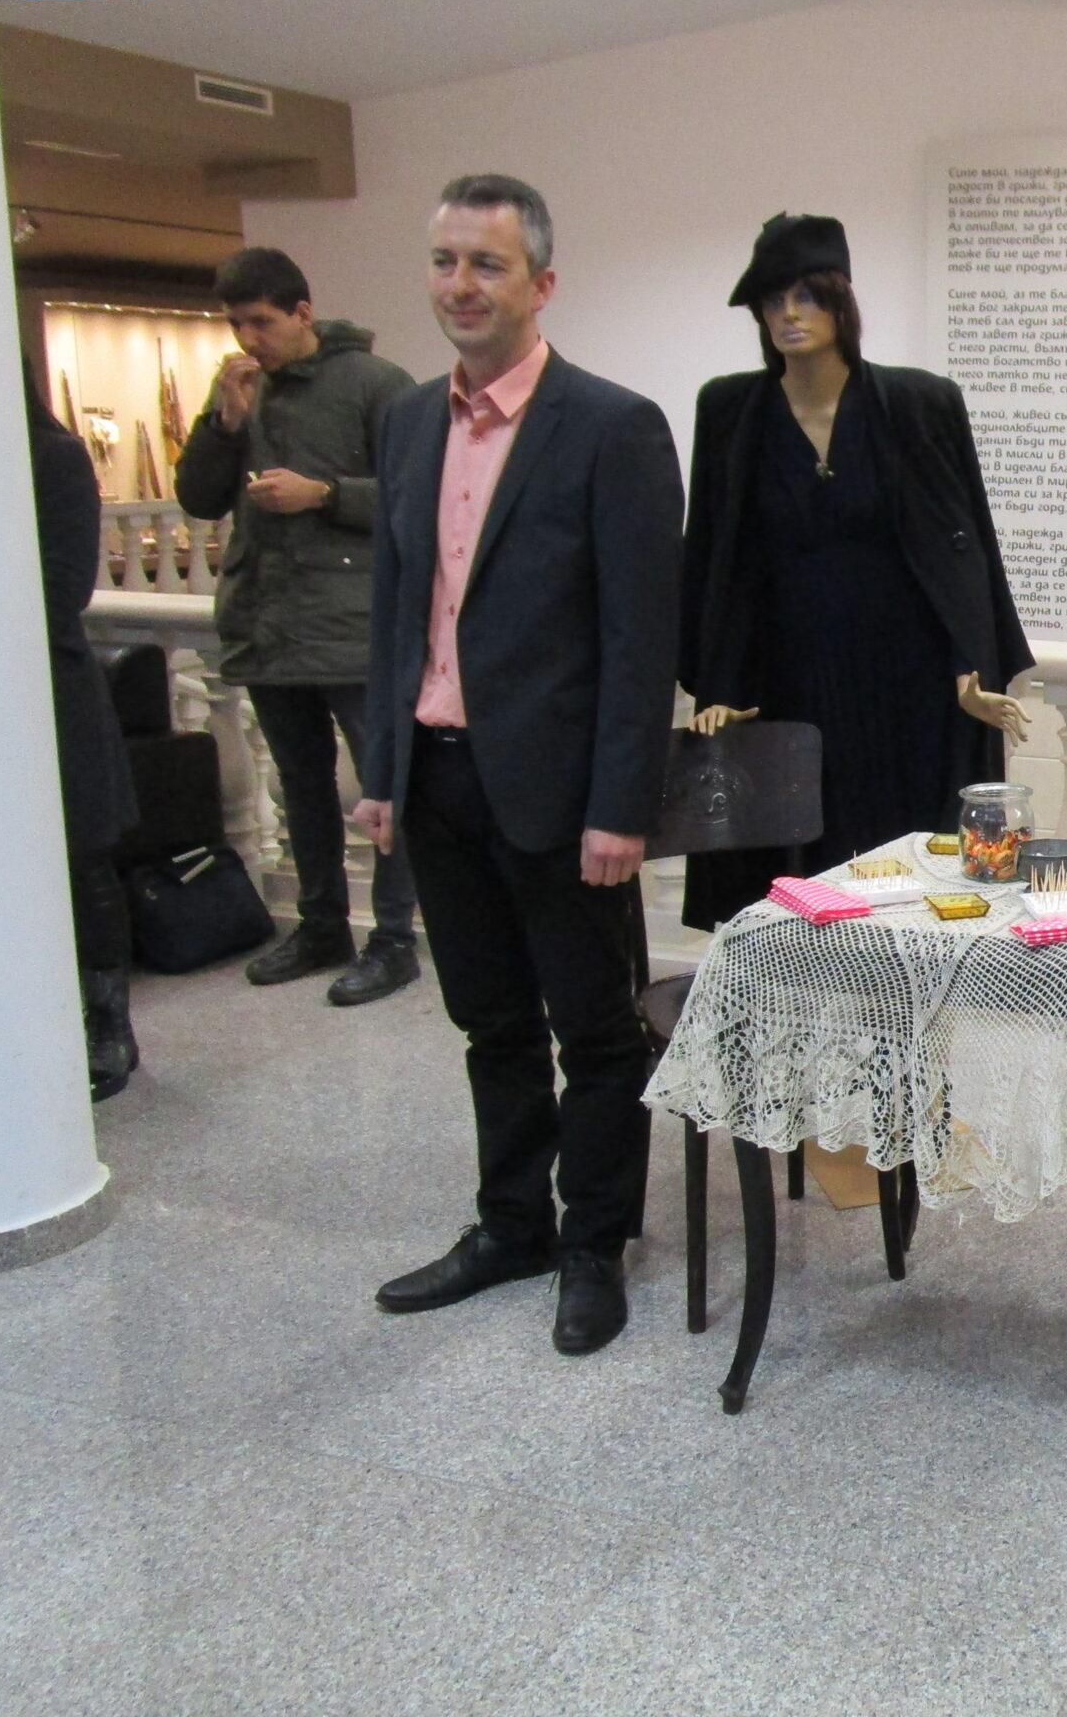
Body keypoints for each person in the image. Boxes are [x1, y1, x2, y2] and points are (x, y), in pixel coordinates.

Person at [356, 175, 684, 1357]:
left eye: (486, 264)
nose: (461, 286)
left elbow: (641, 639)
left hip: (561, 795)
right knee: (488, 1024)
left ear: (541, 283)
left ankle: (593, 1244)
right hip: (439, 781)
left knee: (593, 1033)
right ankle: (511, 1227)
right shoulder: (407, 422)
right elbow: (396, 610)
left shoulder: (610, 425)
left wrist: (620, 807)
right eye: (445, 261)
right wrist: (383, 769)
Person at [677, 211, 1030, 929]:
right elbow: (713, 552)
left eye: (807, 296)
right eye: (773, 300)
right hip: (787, 680)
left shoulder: (918, 403)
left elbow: (962, 547)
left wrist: (970, 663)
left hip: (906, 679)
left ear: (841, 302)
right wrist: (717, 684)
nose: (789, 314)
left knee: (909, 866)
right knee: (791, 876)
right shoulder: (731, 411)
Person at [175, 247, 420, 1006]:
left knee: (384, 788)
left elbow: (421, 497)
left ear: (302, 312)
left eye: (261, 322)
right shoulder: (239, 391)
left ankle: (394, 939)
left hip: (354, 625)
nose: (248, 339)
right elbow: (199, 498)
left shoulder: (376, 384)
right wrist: (224, 424)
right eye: (236, 324)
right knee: (299, 786)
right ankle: (321, 928)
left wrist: (325, 494)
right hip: (268, 622)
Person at [27, 367, 141, 1100]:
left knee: (82, 859)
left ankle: (108, 1023)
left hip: (52, 689)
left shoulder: (54, 457)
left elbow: (61, 588)